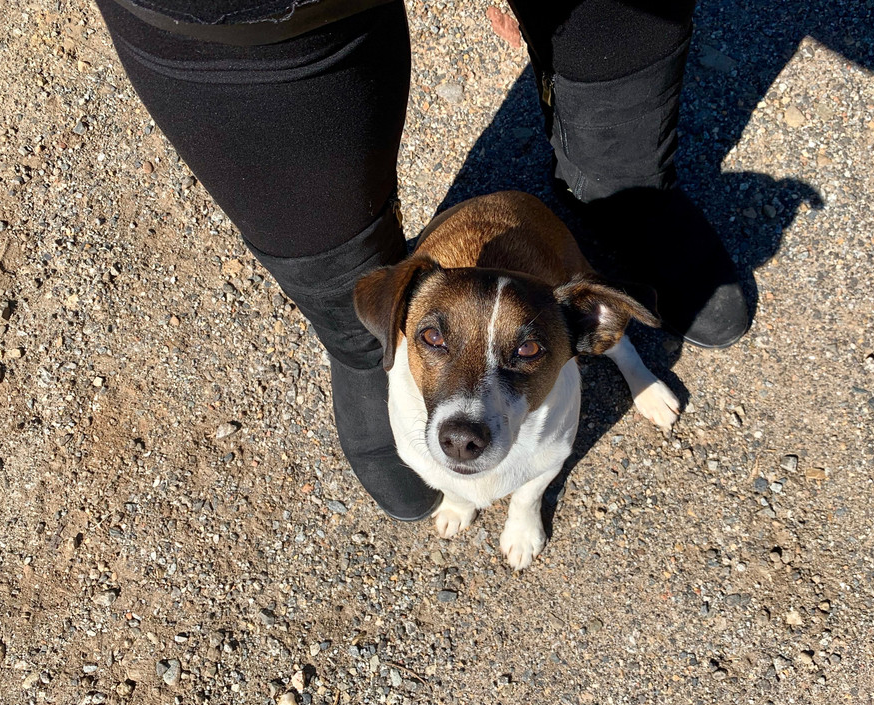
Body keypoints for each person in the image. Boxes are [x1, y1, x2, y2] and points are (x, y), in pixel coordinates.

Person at [93, 0, 749, 521]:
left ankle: (620, 197)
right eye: (431, 338)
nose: (465, 422)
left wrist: (526, 508)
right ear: (400, 322)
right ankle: (359, 346)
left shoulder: (575, 329)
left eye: (526, 352)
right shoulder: (413, 312)